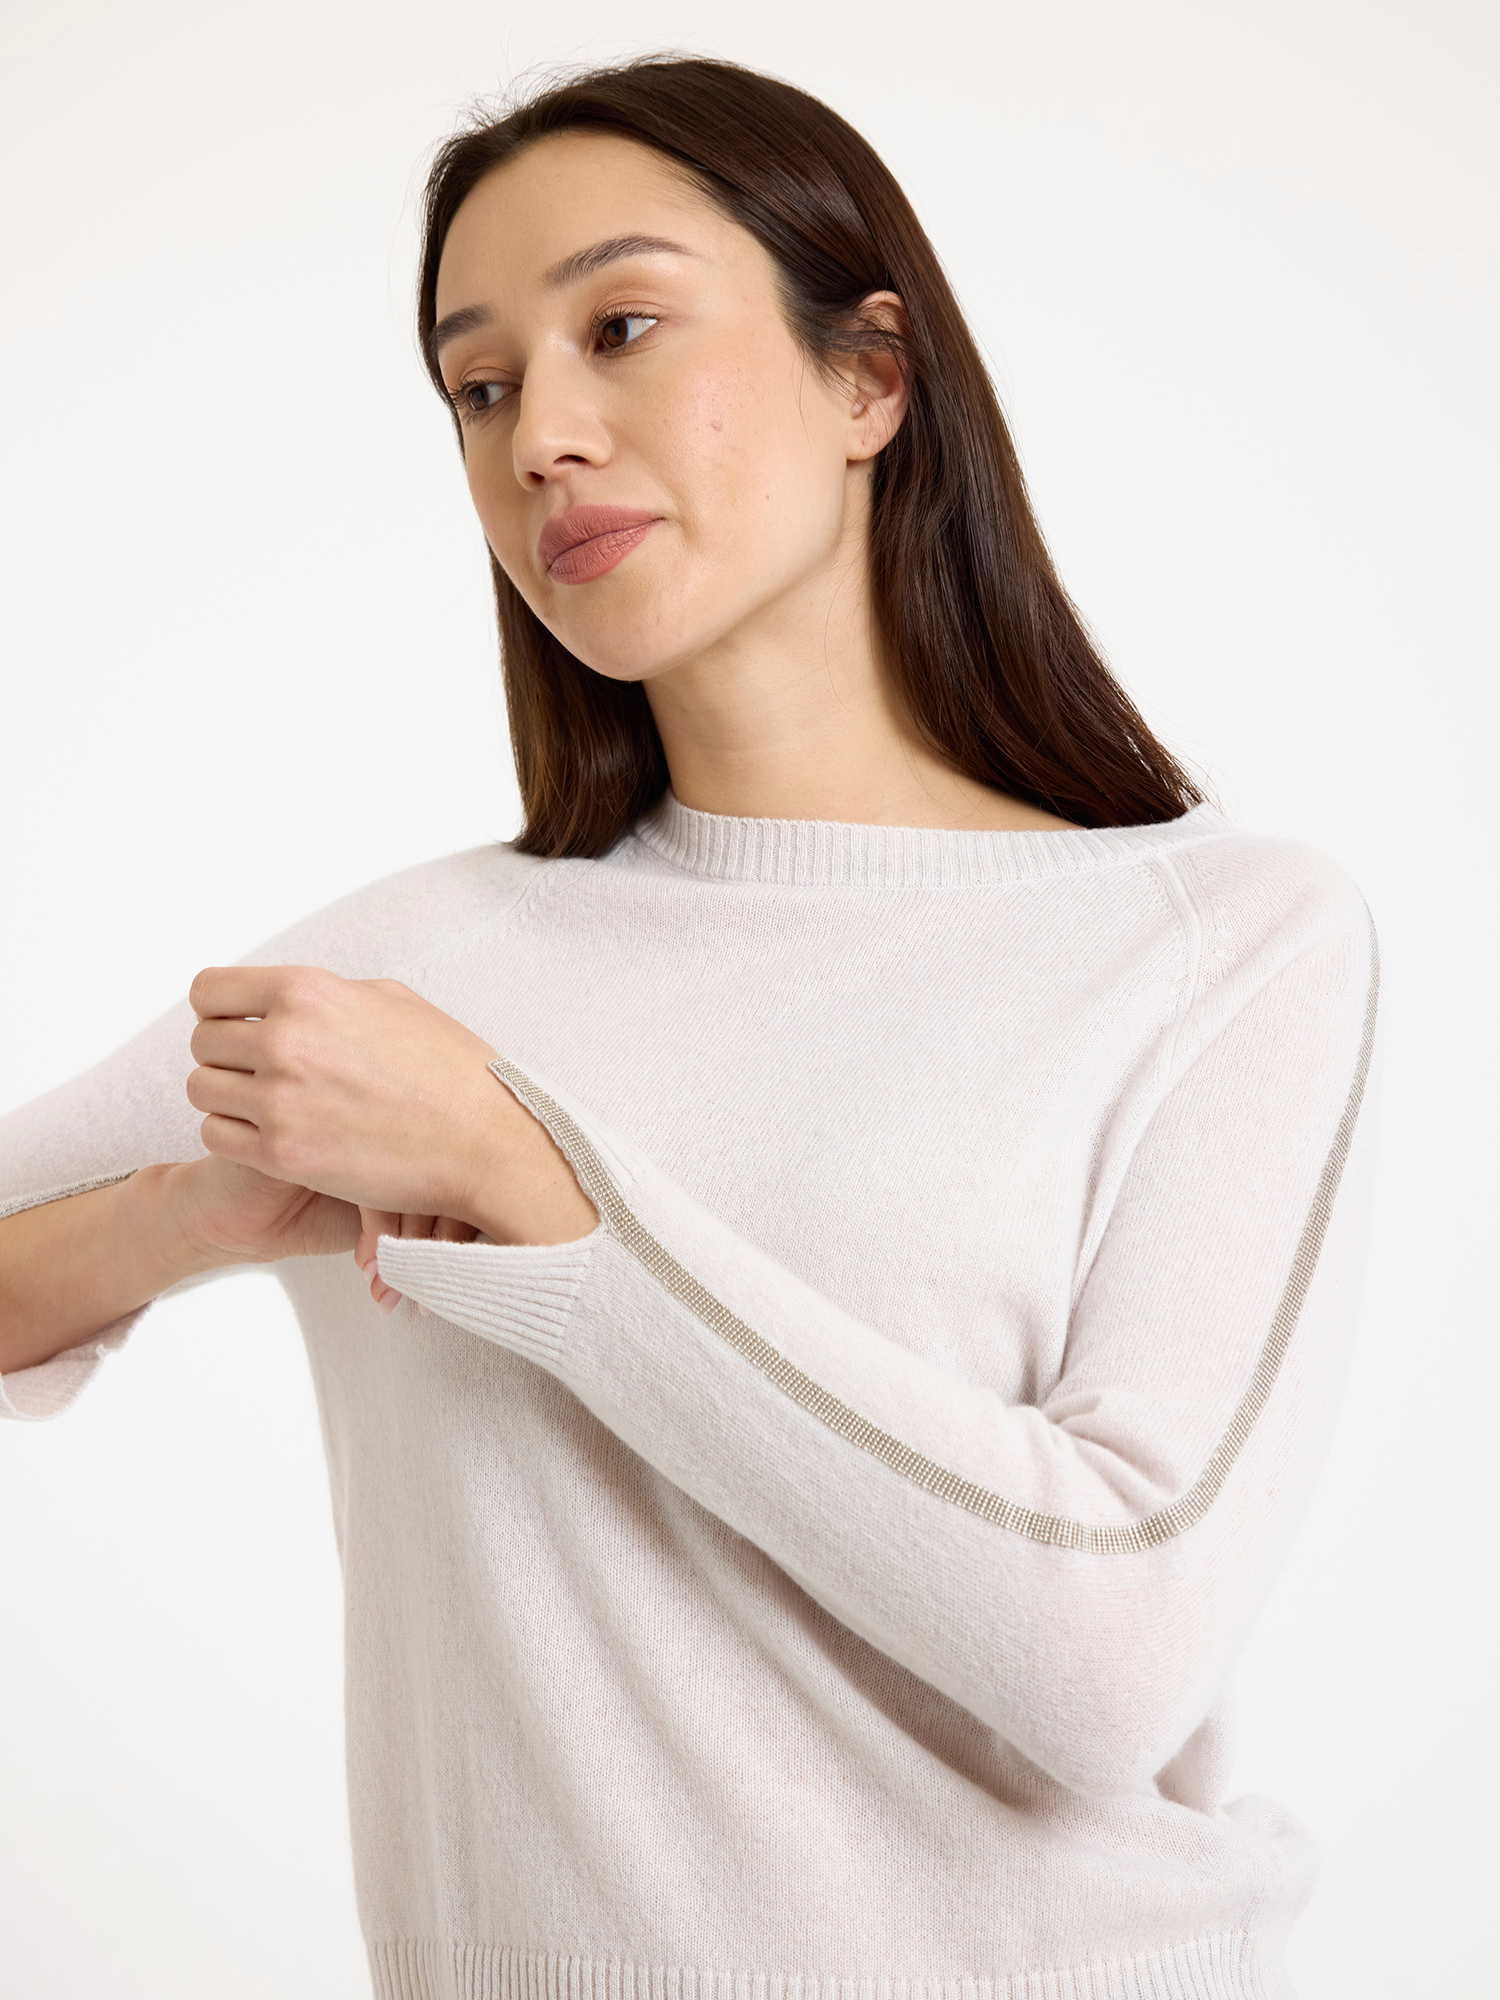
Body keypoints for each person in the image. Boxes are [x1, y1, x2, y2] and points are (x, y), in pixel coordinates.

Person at [0, 52, 1380, 2000]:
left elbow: (1111, 1646)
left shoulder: (1216, 940)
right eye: (479, 385)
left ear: (868, 380)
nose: (543, 434)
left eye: (622, 328)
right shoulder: (404, 981)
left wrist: (528, 1182)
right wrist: (189, 1215)